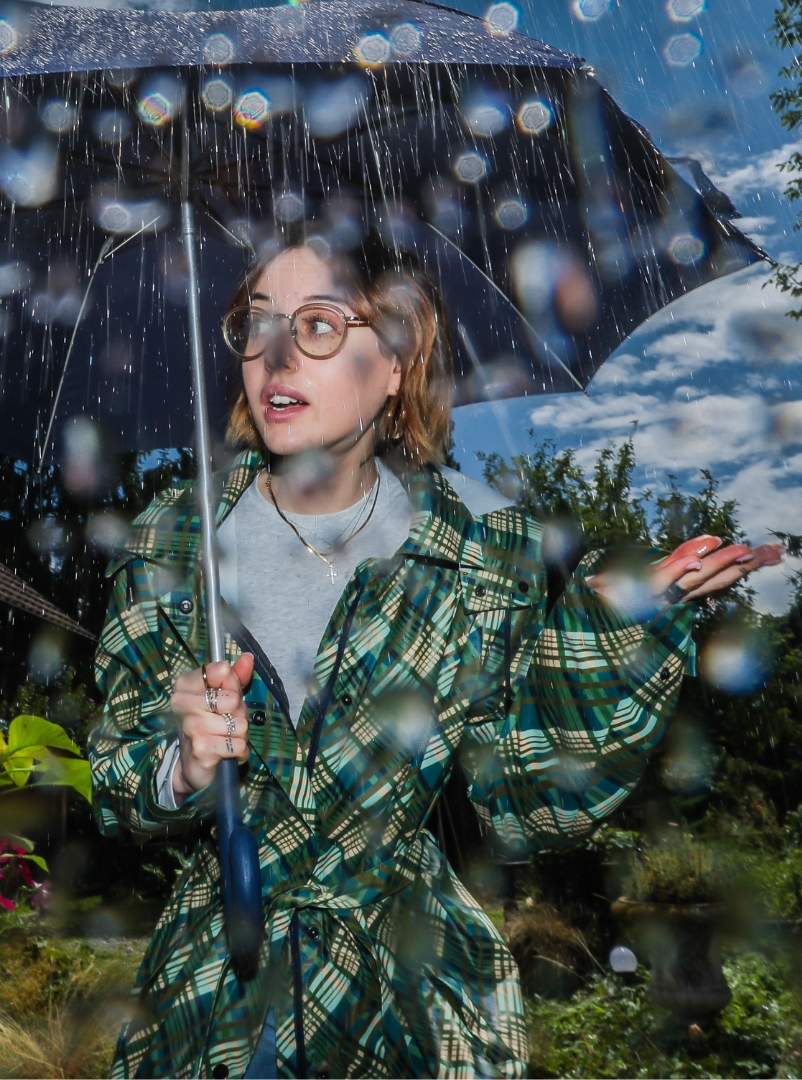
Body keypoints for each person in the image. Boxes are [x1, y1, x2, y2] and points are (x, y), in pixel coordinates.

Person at [86, 232, 785, 1079]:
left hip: (407, 993)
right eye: (256, 322)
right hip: (215, 1005)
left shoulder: (484, 550)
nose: (274, 353)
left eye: (317, 325)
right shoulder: (173, 542)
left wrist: (608, 637)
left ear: (395, 365)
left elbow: (523, 800)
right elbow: (116, 780)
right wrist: (179, 768)